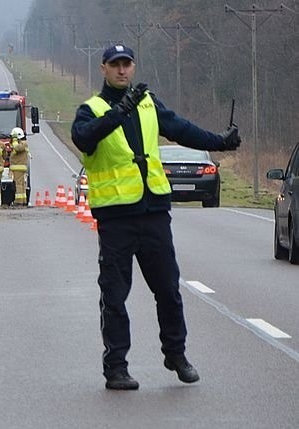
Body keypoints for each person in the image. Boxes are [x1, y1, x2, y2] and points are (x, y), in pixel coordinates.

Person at [70, 44, 241, 390]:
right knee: (115, 295)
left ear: (133, 67)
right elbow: (83, 138)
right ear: (103, 68)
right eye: (115, 65)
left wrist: (219, 141)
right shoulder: (91, 109)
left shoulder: (147, 103)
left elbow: (181, 128)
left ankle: (176, 354)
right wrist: (118, 113)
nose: (122, 71)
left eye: (127, 64)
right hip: (117, 218)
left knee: (168, 289)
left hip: (154, 213)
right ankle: (116, 367)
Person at [7, 127, 29, 206]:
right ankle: (23, 200)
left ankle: (18, 201)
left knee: (18, 184)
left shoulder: (22, 144)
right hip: (19, 168)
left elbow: (17, 148)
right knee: (22, 184)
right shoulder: (22, 143)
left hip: (18, 168)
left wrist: (15, 141)